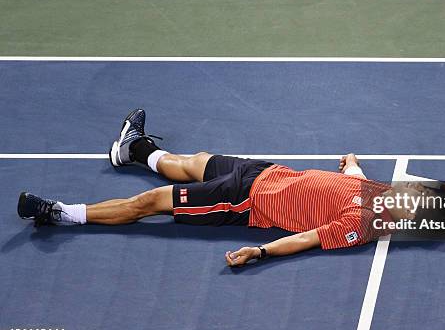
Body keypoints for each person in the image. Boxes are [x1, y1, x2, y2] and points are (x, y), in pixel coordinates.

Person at [17, 109, 422, 266]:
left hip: (243, 201)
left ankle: (60, 213)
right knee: (196, 161)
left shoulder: (360, 224)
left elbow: (306, 239)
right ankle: (134, 150)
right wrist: (352, 163)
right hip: (262, 172)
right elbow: (354, 179)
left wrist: (259, 251)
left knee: (150, 202)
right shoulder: (375, 190)